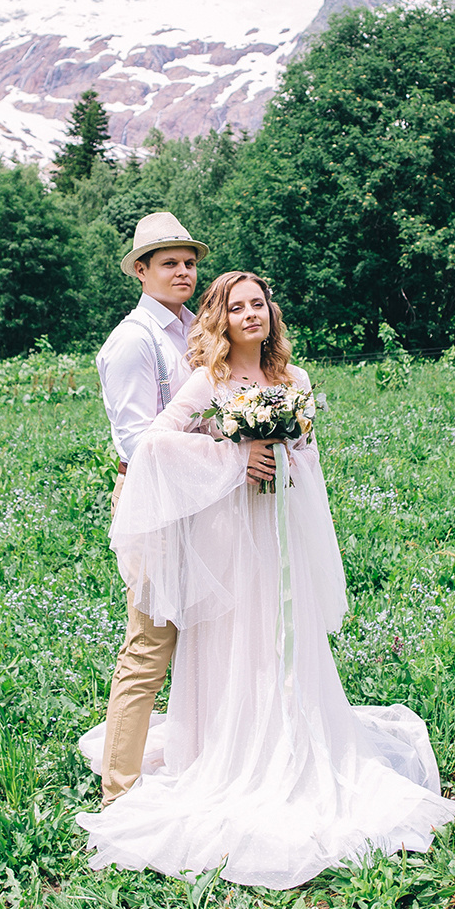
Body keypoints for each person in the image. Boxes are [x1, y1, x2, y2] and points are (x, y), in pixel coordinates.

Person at [78, 271, 455, 889]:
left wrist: (285, 456)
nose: (250, 313)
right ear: (221, 318)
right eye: (237, 306)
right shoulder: (210, 380)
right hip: (231, 534)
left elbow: (308, 452)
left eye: (259, 304)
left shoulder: (294, 381)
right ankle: (233, 750)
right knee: (240, 641)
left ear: (270, 313)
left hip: (280, 528)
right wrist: (234, 457)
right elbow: (154, 444)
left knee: (285, 635)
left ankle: (296, 744)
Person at [92, 214, 280, 808]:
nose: (183, 272)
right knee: (150, 641)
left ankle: (213, 754)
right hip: (157, 502)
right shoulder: (133, 340)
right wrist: (232, 454)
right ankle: (119, 791)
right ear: (141, 271)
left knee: (209, 630)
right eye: (168, 263)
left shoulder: (188, 330)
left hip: (201, 498)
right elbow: (138, 443)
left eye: (189, 262)